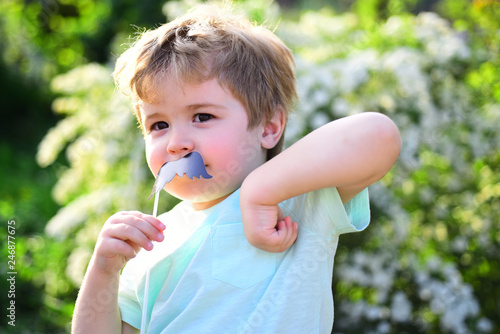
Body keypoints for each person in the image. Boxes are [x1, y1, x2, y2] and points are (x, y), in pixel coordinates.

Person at [72, 3, 401, 334]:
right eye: (158, 124)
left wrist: (259, 193)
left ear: (269, 127)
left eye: (202, 116)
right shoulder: (150, 244)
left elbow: (378, 135)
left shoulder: (294, 203)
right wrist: (103, 270)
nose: (175, 143)